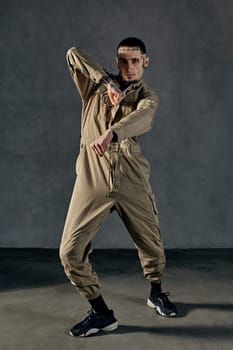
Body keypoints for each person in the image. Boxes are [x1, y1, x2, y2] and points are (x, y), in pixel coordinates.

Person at [59, 37, 177, 337]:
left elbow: (143, 118)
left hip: (130, 178)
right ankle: (101, 313)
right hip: (92, 180)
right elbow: (73, 54)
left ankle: (157, 292)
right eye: (123, 61)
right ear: (116, 61)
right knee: (69, 253)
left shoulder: (147, 96)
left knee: (151, 243)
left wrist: (113, 133)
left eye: (135, 61)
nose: (128, 67)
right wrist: (105, 81)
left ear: (145, 62)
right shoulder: (94, 88)